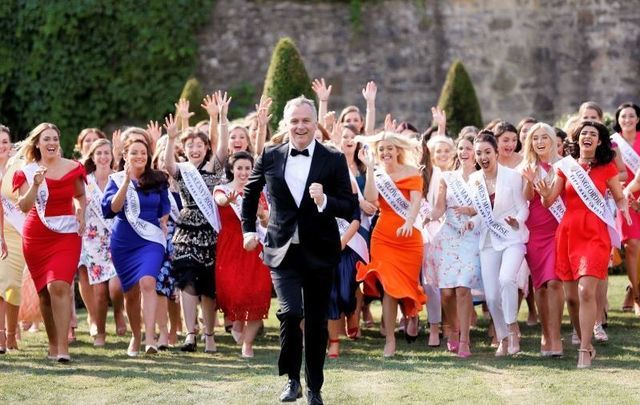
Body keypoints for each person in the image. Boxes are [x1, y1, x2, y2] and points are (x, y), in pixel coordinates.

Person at [241, 96, 356, 405]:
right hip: (282, 251)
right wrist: (248, 230)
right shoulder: (270, 154)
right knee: (291, 314)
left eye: (306, 120)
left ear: (316, 124)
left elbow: (349, 205)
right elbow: (250, 194)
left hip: (320, 252)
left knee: (317, 322)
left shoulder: (332, 159)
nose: (300, 126)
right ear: (286, 125)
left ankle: (315, 387)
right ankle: (292, 379)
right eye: (294, 121)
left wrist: (325, 202)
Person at [537, 120, 629, 368]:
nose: (588, 136)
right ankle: (582, 336)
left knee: (586, 290)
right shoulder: (565, 167)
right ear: (577, 139)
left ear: (599, 142)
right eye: (584, 133)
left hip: (595, 234)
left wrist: (625, 209)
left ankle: (586, 349)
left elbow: (619, 197)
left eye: (593, 134)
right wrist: (545, 193)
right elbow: (549, 202)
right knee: (572, 298)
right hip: (568, 234)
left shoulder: (607, 168)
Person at [163, 91, 230, 354]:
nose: (194, 149)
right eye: (190, 146)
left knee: (209, 287)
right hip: (187, 230)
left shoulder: (213, 168)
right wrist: (170, 139)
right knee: (187, 280)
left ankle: (209, 335)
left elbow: (224, 148)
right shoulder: (182, 170)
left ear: (205, 148)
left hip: (211, 232)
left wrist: (223, 117)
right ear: (185, 149)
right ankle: (190, 335)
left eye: (199, 145)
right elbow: (168, 165)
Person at [14, 122, 86, 362]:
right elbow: (24, 206)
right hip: (37, 235)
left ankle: (63, 348)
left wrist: (81, 212)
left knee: (60, 285)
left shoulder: (73, 168)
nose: (52, 143)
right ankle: (53, 343)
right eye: (46, 139)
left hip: (66, 234)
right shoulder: (27, 171)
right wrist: (35, 184)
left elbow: (79, 195)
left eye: (55, 138)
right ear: (37, 143)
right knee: (44, 293)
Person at [356, 131, 427, 357]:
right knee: (388, 288)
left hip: (409, 238)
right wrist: (368, 170)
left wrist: (408, 221)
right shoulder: (377, 174)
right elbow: (370, 198)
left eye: (389, 148)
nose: (385, 152)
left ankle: (410, 316)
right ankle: (390, 339)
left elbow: (415, 201)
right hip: (384, 237)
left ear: (398, 150)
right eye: (381, 149)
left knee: (403, 287)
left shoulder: (412, 172)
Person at [102, 136, 170, 356]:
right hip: (124, 242)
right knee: (130, 293)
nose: (139, 156)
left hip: (150, 240)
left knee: (148, 282)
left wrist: (164, 222)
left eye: (143, 152)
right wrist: (125, 182)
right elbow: (112, 209)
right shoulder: (115, 180)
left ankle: (150, 338)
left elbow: (164, 207)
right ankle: (135, 335)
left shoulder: (158, 179)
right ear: (125, 156)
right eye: (134, 153)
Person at [467, 131, 529, 356]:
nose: (483, 157)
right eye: (479, 153)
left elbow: (524, 206)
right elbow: (480, 213)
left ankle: (513, 330)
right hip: (488, 241)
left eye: (487, 152)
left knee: (506, 279)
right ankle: (502, 337)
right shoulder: (474, 180)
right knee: (491, 296)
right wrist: (472, 223)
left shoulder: (512, 176)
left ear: (495, 152)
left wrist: (518, 220)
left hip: (512, 237)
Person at [425, 133, 482, 358]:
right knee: (447, 292)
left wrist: (472, 212)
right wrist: (428, 216)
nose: (464, 152)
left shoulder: (483, 177)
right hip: (448, 235)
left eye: (469, 148)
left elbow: (489, 208)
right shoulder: (447, 177)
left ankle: (465, 340)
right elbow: (439, 208)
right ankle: (452, 329)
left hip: (470, 235)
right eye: (461, 148)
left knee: (462, 288)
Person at [214, 151, 271, 358]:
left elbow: (266, 222)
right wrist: (228, 200)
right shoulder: (222, 189)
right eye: (240, 168)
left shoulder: (259, 192)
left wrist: (261, 214)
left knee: (257, 292)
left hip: (254, 245)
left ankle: (248, 343)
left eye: (248, 168)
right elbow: (220, 200)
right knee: (232, 291)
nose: (244, 172)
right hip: (230, 246)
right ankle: (236, 323)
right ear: (232, 169)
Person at [520, 123, 564, 356]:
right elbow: (527, 197)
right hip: (535, 230)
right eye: (535, 138)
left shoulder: (563, 166)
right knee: (540, 285)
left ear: (552, 140)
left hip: (558, 228)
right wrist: (529, 180)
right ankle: (545, 335)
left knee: (555, 281)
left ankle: (556, 338)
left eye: (543, 137)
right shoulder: (528, 167)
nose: (539, 141)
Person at [80, 139, 126, 346]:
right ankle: (100, 332)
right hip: (92, 240)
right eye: (99, 153)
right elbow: (76, 204)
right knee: (99, 293)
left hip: (116, 238)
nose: (104, 157)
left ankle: (119, 311)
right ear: (92, 156)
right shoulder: (84, 181)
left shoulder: (119, 179)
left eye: (107, 153)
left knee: (116, 288)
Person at [611, 102, 640, 316]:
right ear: (618, 119)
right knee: (631, 245)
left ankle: (632, 288)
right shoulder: (612, 144)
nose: (627, 120)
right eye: (623, 116)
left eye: (631, 116)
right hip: (622, 198)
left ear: (638, 119)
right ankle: (637, 295)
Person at [0, 125, 17, 353]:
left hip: (18, 232)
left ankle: (12, 334)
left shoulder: (17, 169)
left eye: (4, 141)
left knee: (15, 287)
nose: (1, 146)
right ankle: (2, 336)